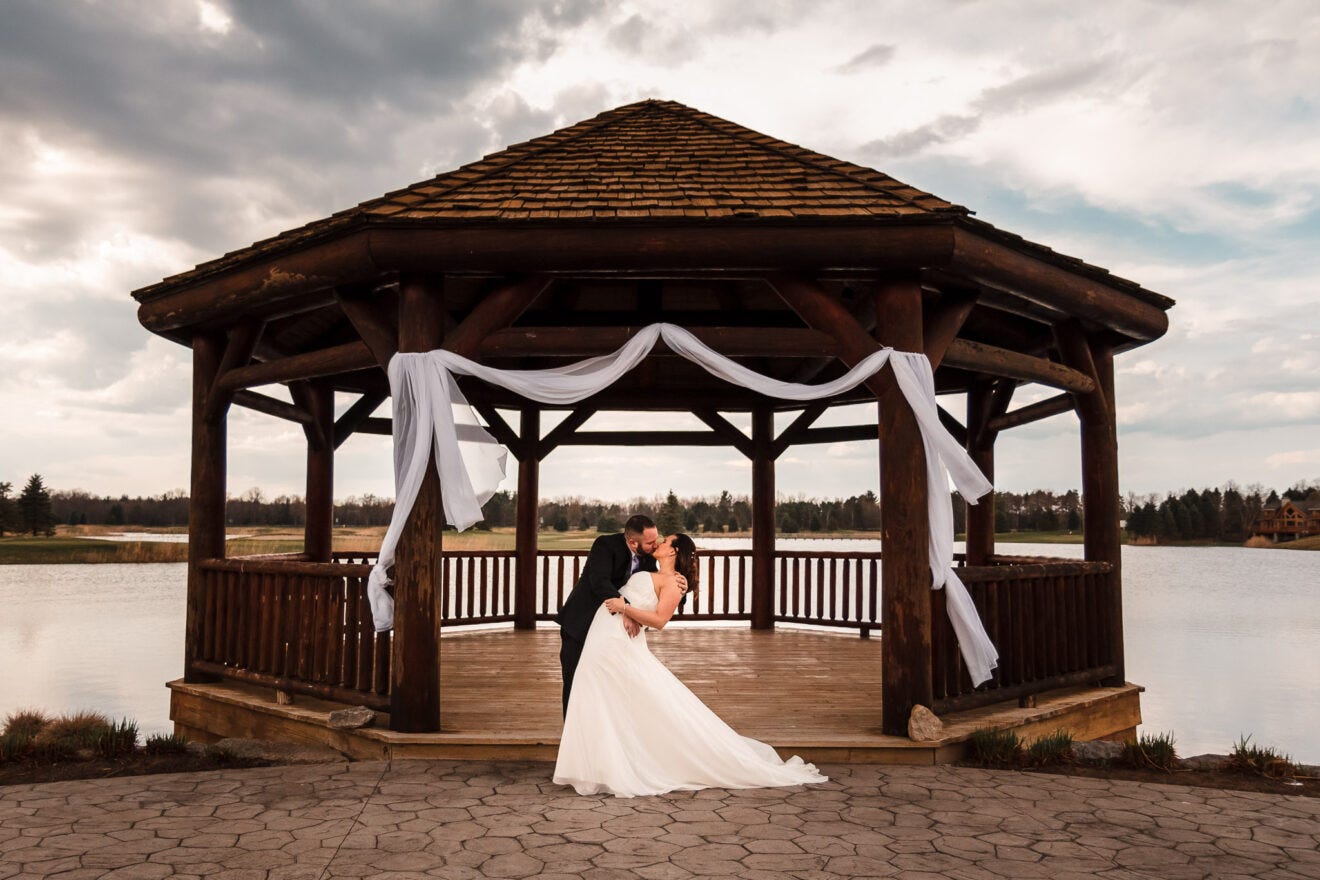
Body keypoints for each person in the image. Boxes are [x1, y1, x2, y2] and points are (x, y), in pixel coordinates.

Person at [553, 533, 828, 798]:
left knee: (613, 697)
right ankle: (591, 761)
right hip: (599, 635)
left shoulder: (674, 582)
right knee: (594, 695)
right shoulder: (650, 565)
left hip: (617, 643)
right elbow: (616, 586)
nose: (659, 543)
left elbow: (660, 619)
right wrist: (628, 608)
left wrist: (627, 609)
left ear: (673, 550)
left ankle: (610, 765)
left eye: (665, 541)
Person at [556, 514, 667, 716]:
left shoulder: (648, 555)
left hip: (609, 631)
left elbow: (658, 586)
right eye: (650, 542)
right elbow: (600, 582)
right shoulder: (605, 545)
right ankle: (571, 736)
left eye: (656, 539)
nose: (655, 545)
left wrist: (682, 588)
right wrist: (626, 609)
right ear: (633, 542)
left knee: (604, 680)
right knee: (574, 679)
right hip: (581, 622)